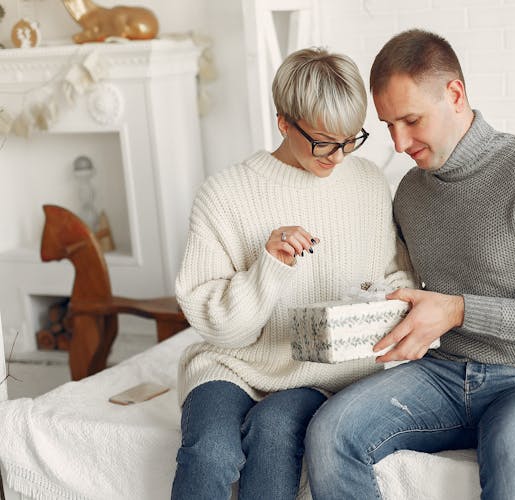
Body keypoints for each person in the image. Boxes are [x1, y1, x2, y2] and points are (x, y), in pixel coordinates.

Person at [305, 29, 515, 500]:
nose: (400, 143)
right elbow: (402, 285)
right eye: (388, 125)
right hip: (440, 374)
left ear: (455, 94)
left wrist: (459, 310)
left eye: (411, 120)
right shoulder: (410, 193)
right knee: (329, 434)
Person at [170, 47, 412, 500]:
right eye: (323, 141)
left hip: (317, 375)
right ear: (284, 122)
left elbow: (396, 276)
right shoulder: (223, 194)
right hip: (231, 364)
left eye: (349, 140)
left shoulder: (368, 184)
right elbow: (221, 330)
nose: (337, 157)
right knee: (210, 452)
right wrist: (271, 267)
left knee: (273, 433)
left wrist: (382, 304)